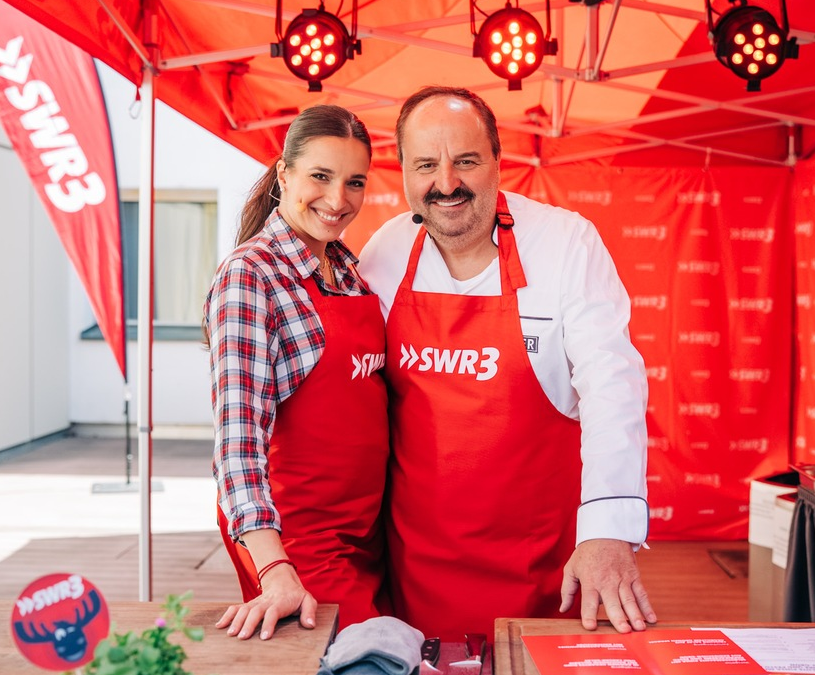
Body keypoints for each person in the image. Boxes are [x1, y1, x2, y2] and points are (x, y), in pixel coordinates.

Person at [357, 86, 655, 639]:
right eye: (426, 165)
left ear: (499, 160)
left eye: (465, 161)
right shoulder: (383, 253)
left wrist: (608, 532)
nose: (446, 183)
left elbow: (612, 385)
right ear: (401, 171)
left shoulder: (566, 243)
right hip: (415, 572)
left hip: (543, 572)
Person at [204, 104, 388, 641]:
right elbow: (237, 445)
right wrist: (274, 568)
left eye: (354, 182)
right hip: (298, 540)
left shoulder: (350, 272)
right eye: (321, 177)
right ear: (284, 174)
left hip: (367, 535)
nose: (338, 200)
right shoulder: (251, 276)